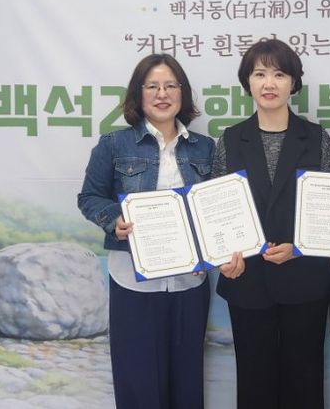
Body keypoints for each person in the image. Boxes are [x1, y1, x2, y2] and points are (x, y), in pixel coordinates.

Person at [77, 54, 216, 409]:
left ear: (183, 93)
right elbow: (89, 197)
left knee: (187, 385)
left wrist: (213, 248)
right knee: (139, 386)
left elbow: (215, 209)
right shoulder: (114, 145)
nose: (162, 94)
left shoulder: (205, 148)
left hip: (190, 283)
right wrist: (114, 219)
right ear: (138, 94)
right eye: (152, 86)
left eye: (170, 85)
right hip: (133, 283)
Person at [211, 38, 330, 409]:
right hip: (246, 279)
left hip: (306, 279)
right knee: (254, 383)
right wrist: (223, 257)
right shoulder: (231, 139)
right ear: (247, 82)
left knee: (305, 381)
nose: (269, 83)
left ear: (293, 82)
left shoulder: (316, 138)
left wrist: (299, 247)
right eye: (260, 74)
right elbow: (217, 209)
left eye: (279, 74)